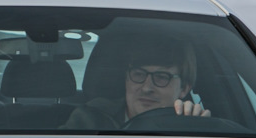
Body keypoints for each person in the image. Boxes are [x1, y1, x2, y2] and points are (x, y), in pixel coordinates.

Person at [65, 34, 210, 130]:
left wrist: (196, 127)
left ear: (184, 88)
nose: (147, 87)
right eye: (138, 74)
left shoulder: (190, 123)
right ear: (126, 79)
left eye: (161, 77)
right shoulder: (89, 119)